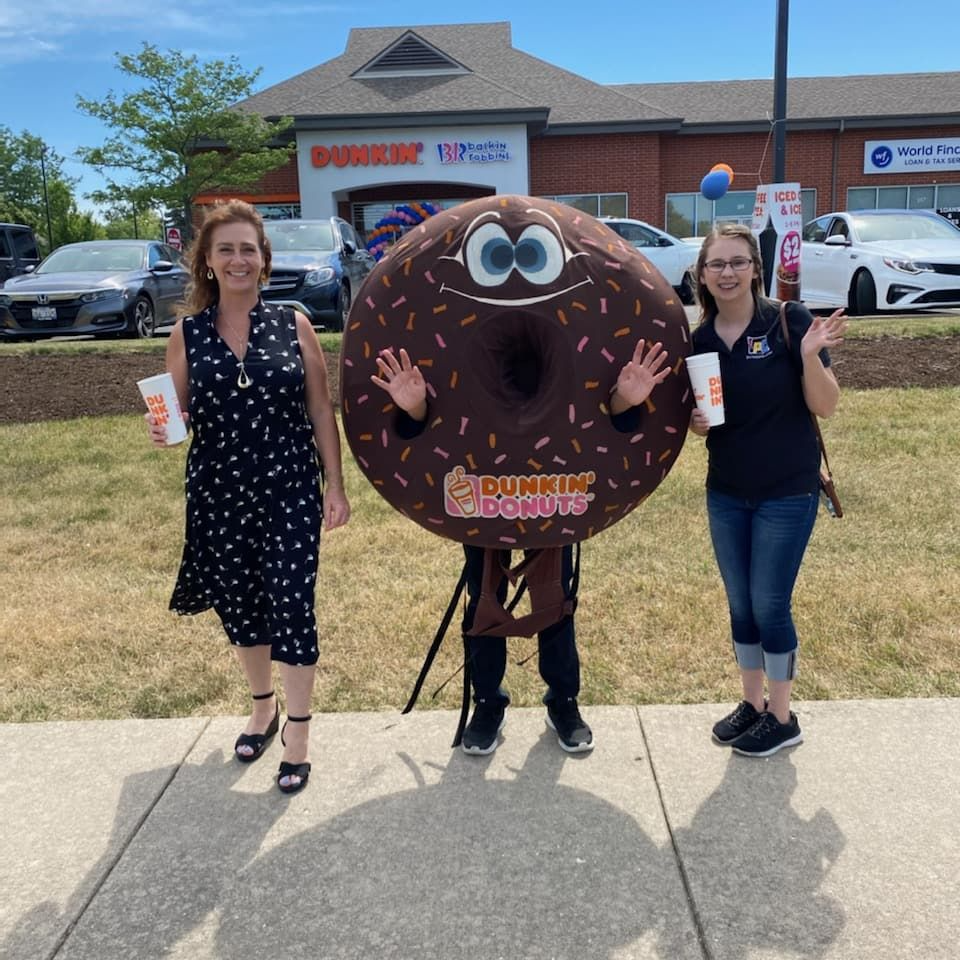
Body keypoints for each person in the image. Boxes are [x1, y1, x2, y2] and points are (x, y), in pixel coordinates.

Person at [370, 339, 671, 756]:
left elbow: (599, 410)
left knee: (554, 592)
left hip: (556, 475)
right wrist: (417, 407)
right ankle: (488, 702)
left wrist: (623, 399)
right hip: (482, 475)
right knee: (485, 592)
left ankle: (563, 701)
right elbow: (424, 423)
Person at [145, 200, 350, 794]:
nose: (238, 259)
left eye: (248, 249)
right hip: (217, 490)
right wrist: (164, 430)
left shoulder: (293, 323)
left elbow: (319, 408)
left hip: (289, 488)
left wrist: (334, 485)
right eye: (226, 249)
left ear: (264, 261)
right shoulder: (186, 333)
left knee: (291, 601)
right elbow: (175, 415)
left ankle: (300, 733)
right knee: (241, 605)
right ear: (207, 261)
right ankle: (263, 709)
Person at [689, 223, 846, 757]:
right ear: (703, 276)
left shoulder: (788, 321)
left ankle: (783, 716)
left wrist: (808, 357)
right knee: (740, 606)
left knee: (770, 604)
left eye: (738, 263)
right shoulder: (701, 340)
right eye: (717, 265)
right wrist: (695, 423)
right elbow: (705, 417)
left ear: (756, 268)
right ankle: (753, 706)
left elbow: (825, 405)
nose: (728, 273)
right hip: (727, 490)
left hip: (786, 490)